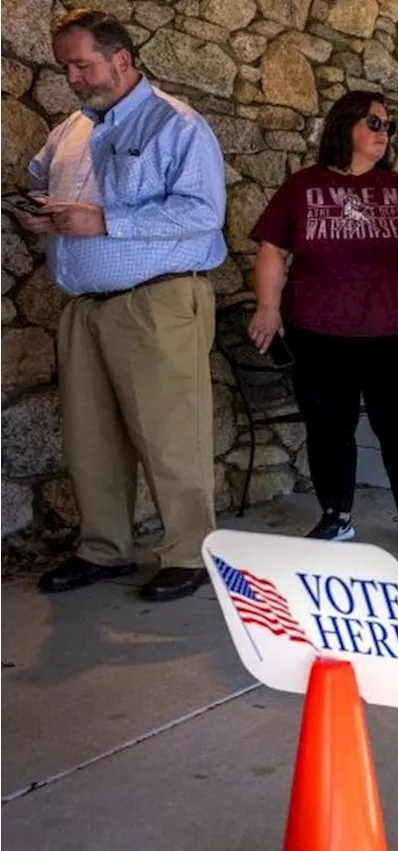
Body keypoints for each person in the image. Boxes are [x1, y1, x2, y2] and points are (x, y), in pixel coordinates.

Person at [19, 10, 226, 602]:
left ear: (122, 59)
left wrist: (104, 219)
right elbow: (43, 181)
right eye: (66, 68)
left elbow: (202, 212)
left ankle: (189, 553)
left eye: (82, 64)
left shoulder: (177, 125)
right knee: (91, 437)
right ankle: (104, 549)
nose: (74, 78)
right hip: (85, 306)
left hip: (156, 303)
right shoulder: (69, 131)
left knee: (170, 435)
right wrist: (40, 210)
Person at [248, 91, 398, 549]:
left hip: (396, 331)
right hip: (320, 331)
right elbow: (272, 249)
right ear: (344, 125)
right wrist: (268, 308)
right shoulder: (302, 186)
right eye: (374, 122)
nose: (383, 133)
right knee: (329, 427)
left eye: (389, 126)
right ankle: (336, 514)